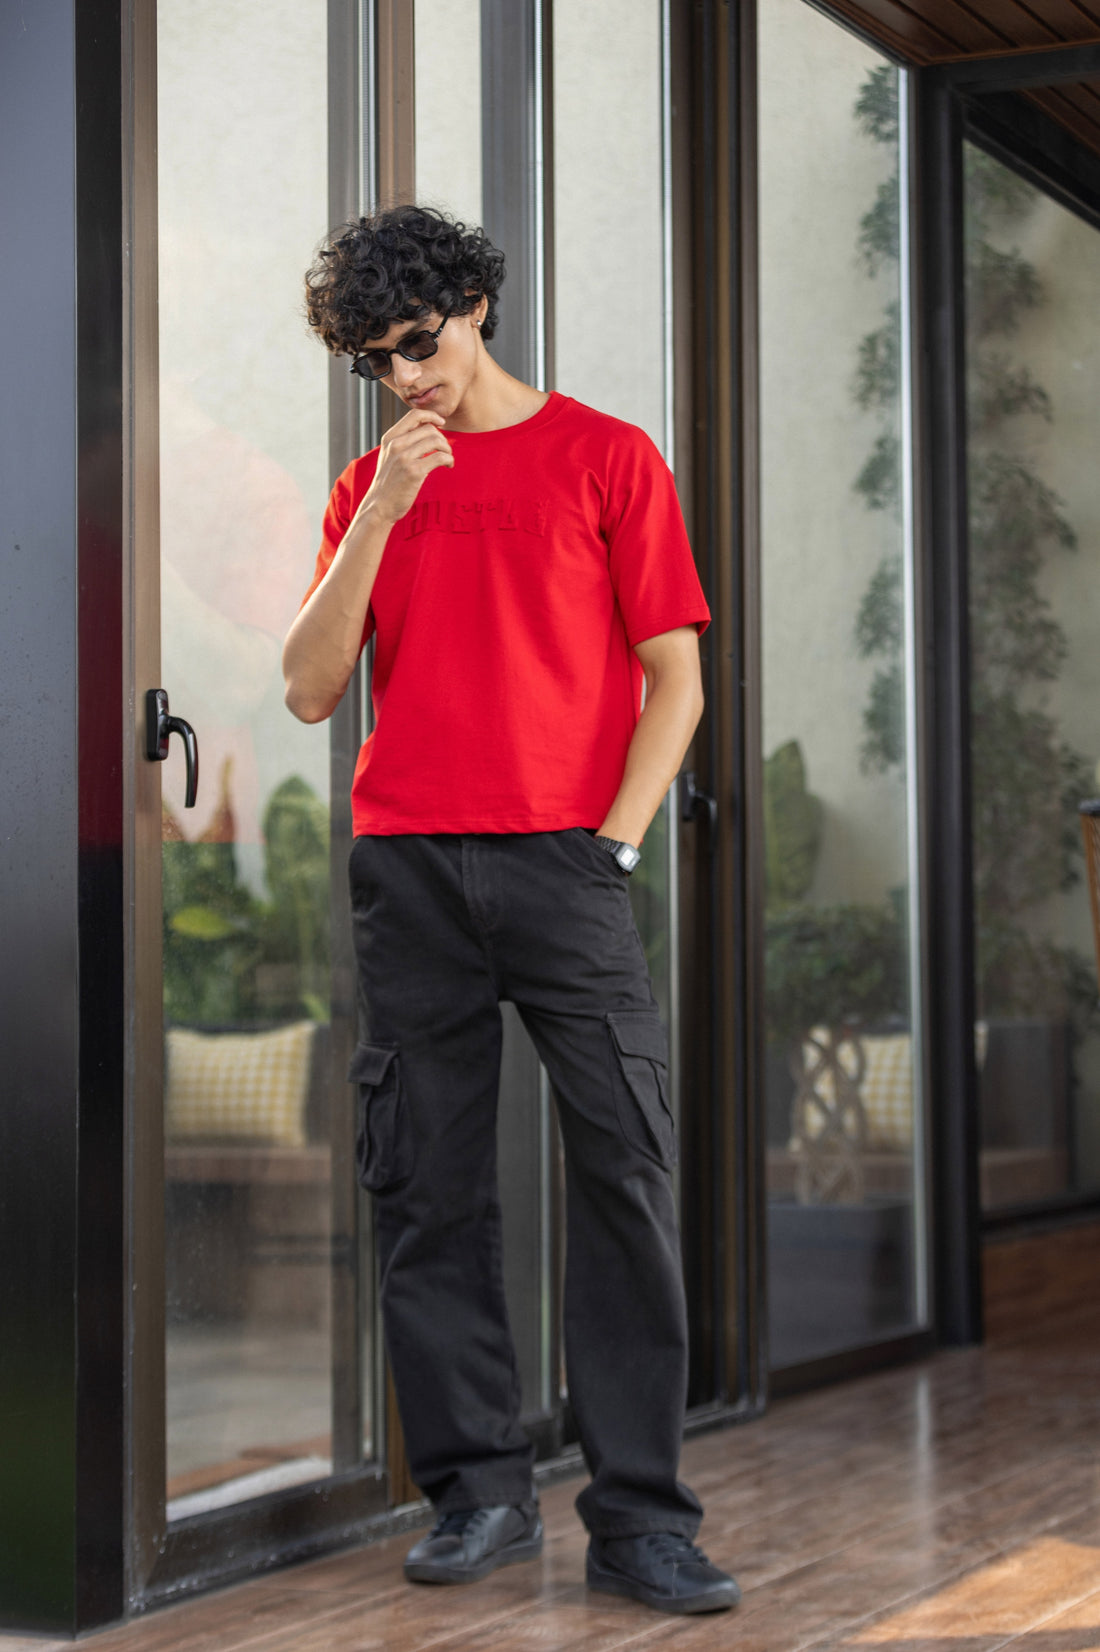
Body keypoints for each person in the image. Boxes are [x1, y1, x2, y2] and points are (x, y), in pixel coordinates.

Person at [283, 204, 739, 1617]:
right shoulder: (369, 486)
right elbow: (308, 686)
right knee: (427, 1182)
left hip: (566, 867)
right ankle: (477, 1493)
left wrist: (613, 847)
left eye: (420, 342)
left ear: (476, 306)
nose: (407, 377)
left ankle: (641, 1520)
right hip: (410, 866)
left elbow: (677, 680)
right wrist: (383, 510)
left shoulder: (606, 456)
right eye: (376, 361)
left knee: (625, 1173)